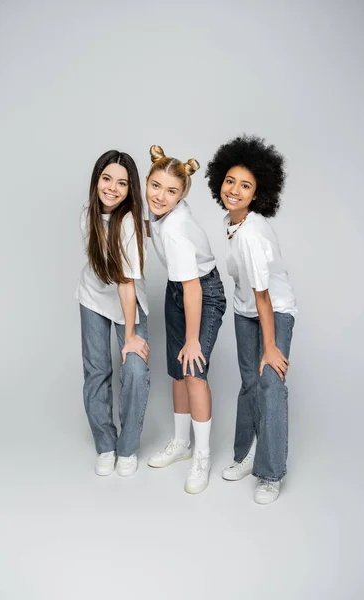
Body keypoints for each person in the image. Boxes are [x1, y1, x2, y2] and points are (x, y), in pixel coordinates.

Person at [205, 135, 297, 504]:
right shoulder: (232, 223)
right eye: (230, 181)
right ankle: (245, 455)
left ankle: (270, 474)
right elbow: (249, 293)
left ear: (258, 194)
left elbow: (264, 295)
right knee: (249, 384)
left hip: (273, 310)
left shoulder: (252, 236)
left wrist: (271, 347)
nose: (235, 190)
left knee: (270, 384)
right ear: (219, 182)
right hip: (247, 310)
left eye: (246, 186)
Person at [146, 145, 226, 494]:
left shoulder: (176, 229)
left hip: (202, 293)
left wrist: (193, 340)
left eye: (171, 191)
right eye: (155, 186)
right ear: (147, 182)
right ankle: (181, 444)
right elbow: (146, 226)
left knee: (193, 371)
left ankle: (202, 456)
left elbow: (193, 290)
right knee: (176, 372)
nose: (161, 196)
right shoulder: (156, 210)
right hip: (177, 289)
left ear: (182, 196)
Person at [75, 150, 150, 478]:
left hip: (128, 299)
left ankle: (127, 447)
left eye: (122, 183)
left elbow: (124, 282)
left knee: (134, 369)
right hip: (92, 297)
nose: (112, 188)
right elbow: (98, 268)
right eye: (107, 179)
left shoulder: (130, 221)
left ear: (130, 188)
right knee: (96, 372)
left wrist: (131, 336)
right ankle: (105, 444)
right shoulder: (87, 213)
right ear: (96, 180)